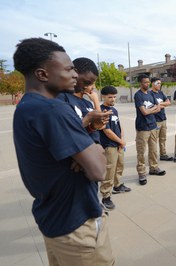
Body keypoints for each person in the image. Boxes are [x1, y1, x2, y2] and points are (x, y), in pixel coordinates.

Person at [12, 37, 114, 265]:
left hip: (54, 221)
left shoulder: (27, 106)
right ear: (42, 74)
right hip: (78, 227)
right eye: (68, 69)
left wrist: (81, 151)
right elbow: (98, 170)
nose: (75, 75)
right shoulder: (54, 109)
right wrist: (94, 147)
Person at [57, 57, 105, 143]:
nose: (91, 87)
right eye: (87, 82)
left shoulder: (87, 103)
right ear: (74, 74)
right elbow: (63, 134)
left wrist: (92, 127)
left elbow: (88, 131)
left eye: (93, 83)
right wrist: (88, 118)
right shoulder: (61, 99)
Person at [99, 86, 131, 210]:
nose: (113, 99)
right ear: (103, 97)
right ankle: (106, 196)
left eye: (114, 96)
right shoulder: (102, 111)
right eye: (110, 97)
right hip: (109, 145)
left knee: (119, 166)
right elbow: (107, 131)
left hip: (118, 144)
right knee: (109, 171)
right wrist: (120, 142)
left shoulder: (114, 110)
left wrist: (121, 141)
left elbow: (119, 125)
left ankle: (117, 185)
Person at [134, 74, 166, 185]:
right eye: (145, 82)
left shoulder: (151, 95)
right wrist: (152, 109)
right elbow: (144, 112)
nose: (147, 84)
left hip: (153, 126)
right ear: (140, 83)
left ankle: (153, 168)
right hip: (142, 127)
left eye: (148, 82)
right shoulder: (138, 95)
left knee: (153, 150)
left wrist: (151, 110)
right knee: (141, 151)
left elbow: (158, 108)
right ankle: (141, 173)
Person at [150, 77, 173, 161]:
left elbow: (168, 102)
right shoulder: (150, 94)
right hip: (155, 121)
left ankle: (163, 155)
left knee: (163, 138)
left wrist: (159, 104)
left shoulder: (161, 93)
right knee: (154, 141)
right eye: (158, 83)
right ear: (153, 83)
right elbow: (153, 106)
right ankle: (153, 158)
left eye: (160, 83)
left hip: (163, 119)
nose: (160, 85)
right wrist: (161, 105)